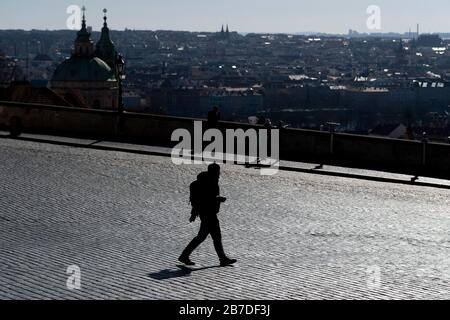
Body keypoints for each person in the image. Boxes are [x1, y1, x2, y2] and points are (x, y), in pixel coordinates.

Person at [179, 164, 237, 267]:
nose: (219, 174)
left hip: (208, 213)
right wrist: (218, 199)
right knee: (207, 236)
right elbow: (205, 199)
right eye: (218, 171)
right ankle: (185, 255)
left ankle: (221, 258)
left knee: (212, 236)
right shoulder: (209, 183)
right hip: (208, 214)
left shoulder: (208, 181)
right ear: (214, 172)